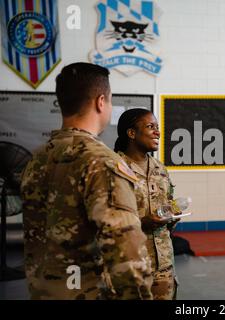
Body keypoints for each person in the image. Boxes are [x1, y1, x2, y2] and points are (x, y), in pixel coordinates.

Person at [20, 62, 153, 300]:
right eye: (110, 100)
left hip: (43, 292)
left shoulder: (38, 157)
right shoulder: (101, 162)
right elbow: (125, 248)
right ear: (101, 102)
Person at [114, 108, 179, 300]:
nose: (157, 132)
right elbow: (104, 221)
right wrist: (142, 223)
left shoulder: (160, 169)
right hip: (128, 267)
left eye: (157, 127)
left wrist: (173, 214)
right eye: (150, 127)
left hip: (163, 267)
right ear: (131, 133)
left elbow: (168, 204)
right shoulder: (114, 168)